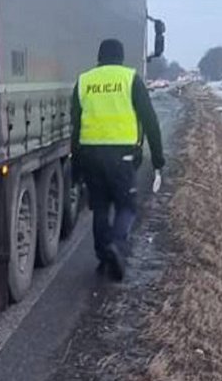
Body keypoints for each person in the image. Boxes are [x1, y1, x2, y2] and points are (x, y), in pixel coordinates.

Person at [70, 38, 165, 281]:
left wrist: (76, 165)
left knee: (100, 207)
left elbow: (76, 125)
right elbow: (150, 121)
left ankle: (103, 257)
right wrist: (157, 158)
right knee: (127, 206)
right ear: (120, 56)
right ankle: (117, 246)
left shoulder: (84, 81)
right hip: (121, 156)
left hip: (90, 155)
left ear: (99, 57)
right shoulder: (130, 79)